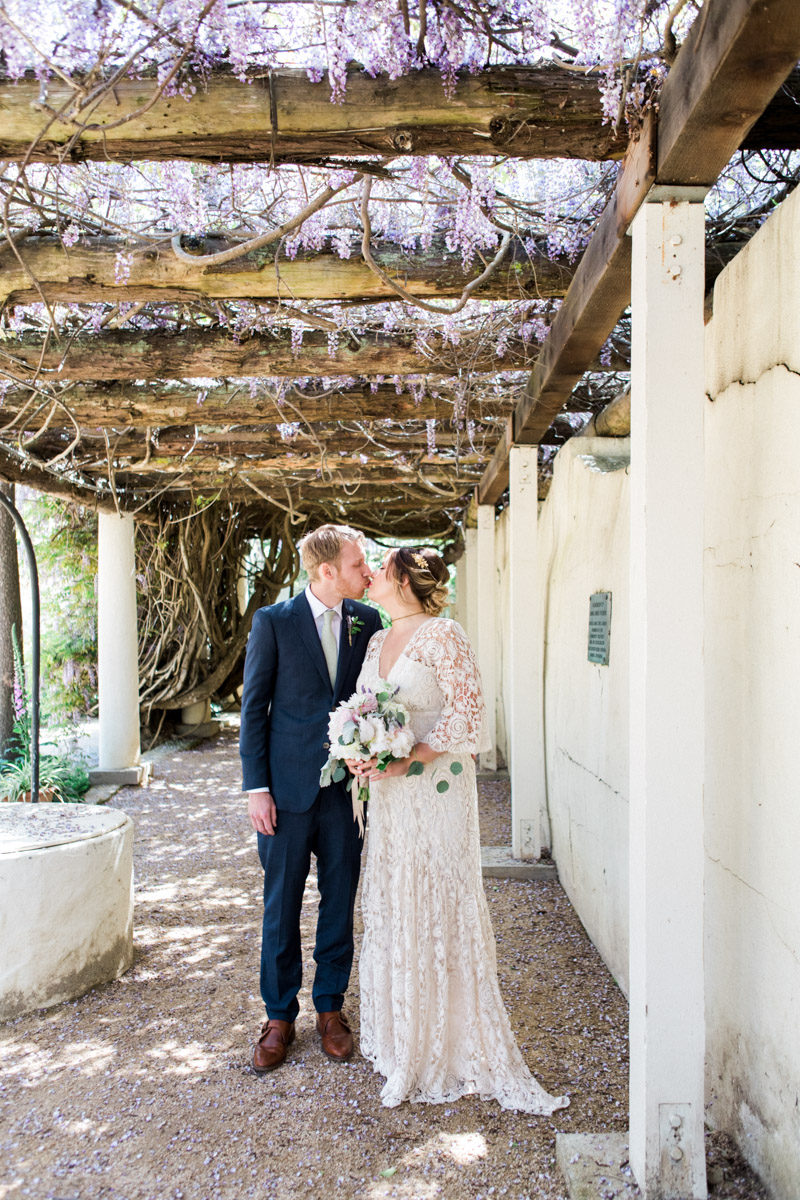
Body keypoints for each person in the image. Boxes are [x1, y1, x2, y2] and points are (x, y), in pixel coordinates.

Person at [349, 547, 569, 1113]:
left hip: (436, 788)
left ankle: (449, 1042)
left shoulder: (445, 635)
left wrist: (408, 756)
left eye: (381, 567)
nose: (370, 573)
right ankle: (405, 1039)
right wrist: (359, 750)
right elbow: (365, 707)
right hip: (392, 796)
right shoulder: (375, 640)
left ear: (403, 579)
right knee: (399, 896)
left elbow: (469, 720)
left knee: (439, 897)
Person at [239, 524, 383, 1073]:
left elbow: (373, 699)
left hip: (346, 792)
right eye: (356, 565)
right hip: (286, 792)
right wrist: (257, 789)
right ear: (326, 571)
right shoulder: (273, 623)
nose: (365, 572)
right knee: (281, 906)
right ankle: (278, 1017)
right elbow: (255, 710)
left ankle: (330, 1008)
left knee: (339, 898)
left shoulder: (368, 622)